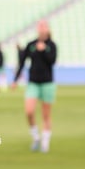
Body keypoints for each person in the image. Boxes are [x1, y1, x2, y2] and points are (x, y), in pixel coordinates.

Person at [11, 19, 57, 153]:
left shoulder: (52, 45)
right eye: (40, 26)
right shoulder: (31, 44)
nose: (42, 28)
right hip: (33, 82)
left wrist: (44, 51)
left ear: (48, 29)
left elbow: (52, 61)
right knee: (29, 111)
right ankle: (36, 136)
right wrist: (15, 80)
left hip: (47, 83)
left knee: (46, 114)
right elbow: (22, 62)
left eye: (44, 26)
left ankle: (45, 142)